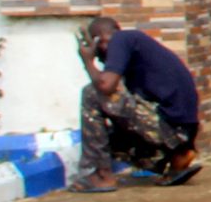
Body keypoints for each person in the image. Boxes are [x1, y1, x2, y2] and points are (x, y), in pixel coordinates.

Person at [72, 16, 203, 191]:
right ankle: (178, 156)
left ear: (100, 39)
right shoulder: (134, 50)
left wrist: (87, 60)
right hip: (179, 134)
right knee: (110, 140)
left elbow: (105, 86)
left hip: (168, 129)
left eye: (97, 45)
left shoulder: (121, 39)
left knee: (91, 93)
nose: (99, 52)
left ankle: (102, 176)